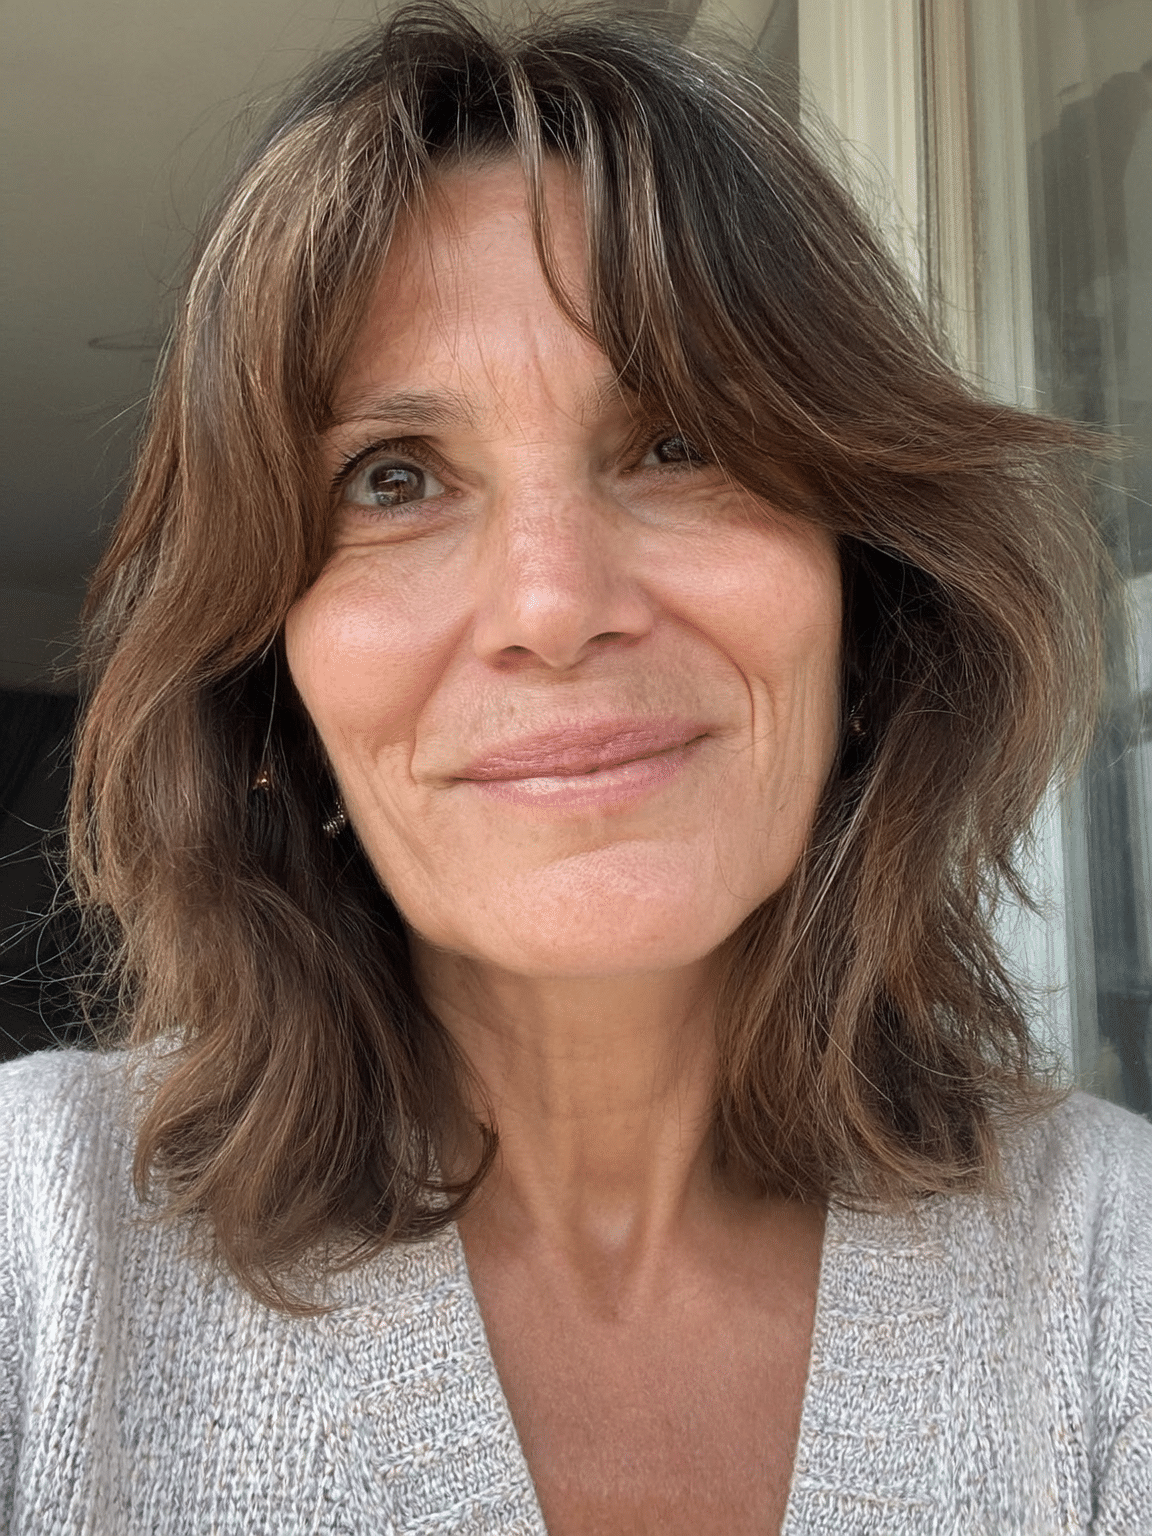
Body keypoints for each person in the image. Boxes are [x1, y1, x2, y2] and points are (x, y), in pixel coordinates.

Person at [1, 6, 1149, 1532]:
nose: (552, 604)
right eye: (393, 480)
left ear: (864, 595)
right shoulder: (39, 1239)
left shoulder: (1107, 1266)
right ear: (270, 692)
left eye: (677, 441)